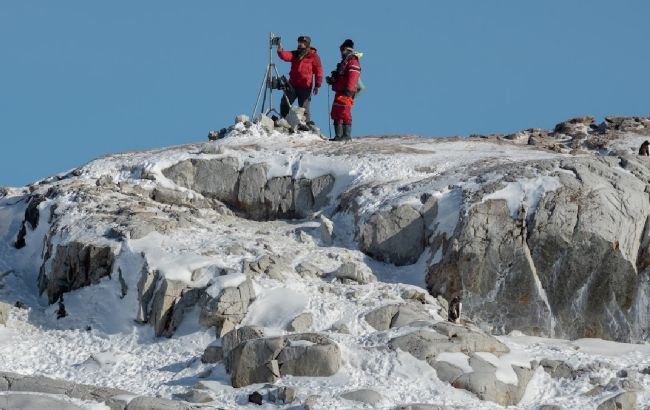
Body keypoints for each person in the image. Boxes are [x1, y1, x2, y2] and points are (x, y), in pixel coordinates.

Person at [276, 36, 323, 123]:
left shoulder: (313, 56)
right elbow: (285, 56)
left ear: (307, 44)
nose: (300, 44)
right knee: (285, 102)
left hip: (305, 86)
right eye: (299, 42)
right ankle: (284, 120)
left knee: (304, 108)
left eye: (302, 42)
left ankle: (306, 125)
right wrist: (279, 48)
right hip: (292, 84)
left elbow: (319, 71)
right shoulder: (296, 54)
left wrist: (317, 85)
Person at [326, 39, 362, 141]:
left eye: (342, 49)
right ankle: (338, 136)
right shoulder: (345, 61)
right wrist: (332, 80)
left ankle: (346, 136)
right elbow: (341, 76)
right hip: (340, 90)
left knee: (345, 112)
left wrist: (349, 91)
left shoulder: (352, 61)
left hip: (346, 91)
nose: (341, 52)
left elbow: (353, 77)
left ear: (346, 49)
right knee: (336, 112)